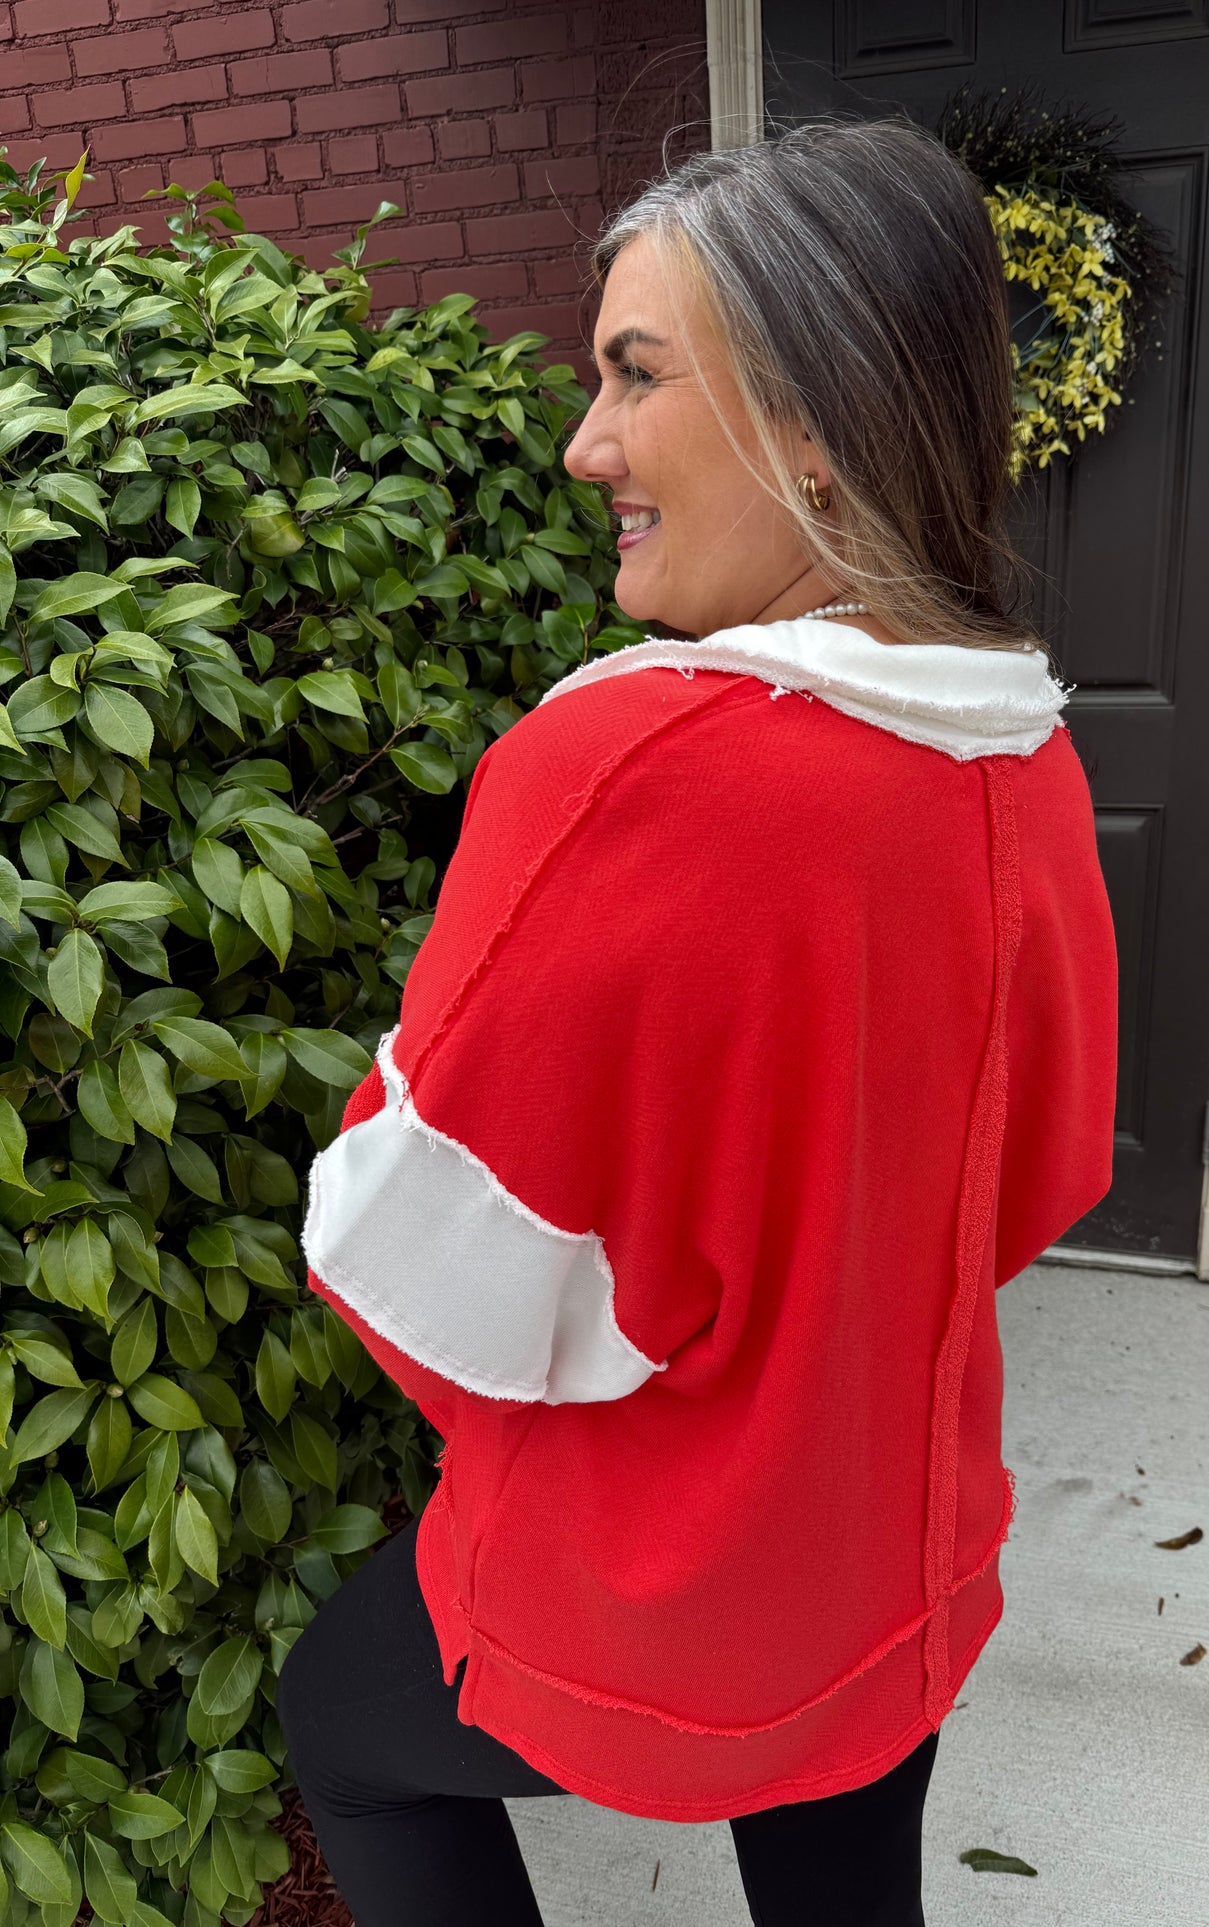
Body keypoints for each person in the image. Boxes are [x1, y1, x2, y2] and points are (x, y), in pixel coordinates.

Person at [275, 115, 1118, 1926]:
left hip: (665, 1586)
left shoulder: (629, 764)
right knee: (838, 1843)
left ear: (815, 421)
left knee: (339, 1727)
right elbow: (1033, 1188)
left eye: (634, 375)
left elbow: (431, 1273)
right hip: (889, 1557)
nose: (586, 446)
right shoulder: (1020, 750)